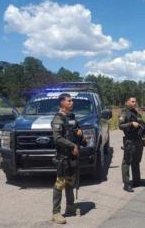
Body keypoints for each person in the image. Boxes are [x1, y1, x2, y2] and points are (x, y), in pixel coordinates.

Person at [51, 93, 83, 224]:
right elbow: (57, 138)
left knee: (70, 182)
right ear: (62, 103)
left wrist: (79, 133)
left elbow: (75, 129)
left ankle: (70, 207)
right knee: (60, 184)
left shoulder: (71, 117)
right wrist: (72, 145)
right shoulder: (57, 119)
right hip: (63, 157)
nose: (72, 103)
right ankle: (56, 212)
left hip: (72, 156)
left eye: (72, 101)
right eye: (69, 101)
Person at [118, 96, 145, 192]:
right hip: (129, 140)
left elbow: (141, 125)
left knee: (136, 161)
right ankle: (126, 184)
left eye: (135, 101)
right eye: (132, 101)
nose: (134, 103)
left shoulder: (136, 113)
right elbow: (120, 125)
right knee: (127, 162)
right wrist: (131, 124)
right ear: (127, 102)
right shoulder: (124, 112)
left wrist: (143, 137)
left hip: (138, 140)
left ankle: (137, 181)